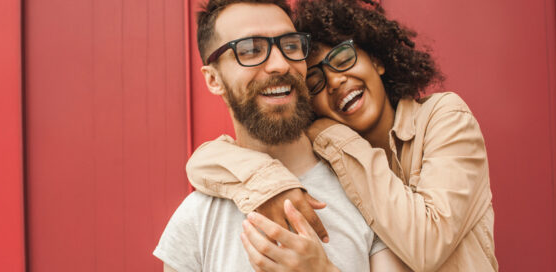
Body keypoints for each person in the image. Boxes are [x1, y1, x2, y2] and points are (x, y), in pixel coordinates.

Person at [186, 0, 497, 271]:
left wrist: (329, 131)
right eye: (317, 79)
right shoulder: (325, 157)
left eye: (343, 58)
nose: (335, 82)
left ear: (376, 58)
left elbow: (428, 245)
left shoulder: (443, 116)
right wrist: (273, 187)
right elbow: (203, 162)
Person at [153, 0, 409, 271]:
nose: (280, 64)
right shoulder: (196, 219)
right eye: (250, 49)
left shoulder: (366, 187)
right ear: (213, 79)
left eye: (290, 46)